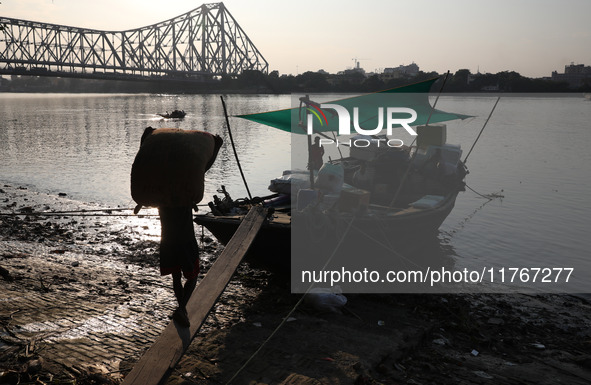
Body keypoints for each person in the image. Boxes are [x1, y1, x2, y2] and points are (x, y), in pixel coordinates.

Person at [158, 206, 200, 327]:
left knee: (176, 277)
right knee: (193, 276)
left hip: (168, 242)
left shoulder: (162, 197)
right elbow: (195, 200)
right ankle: (181, 309)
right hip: (185, 241)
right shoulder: (185, 196)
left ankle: (182, 310)